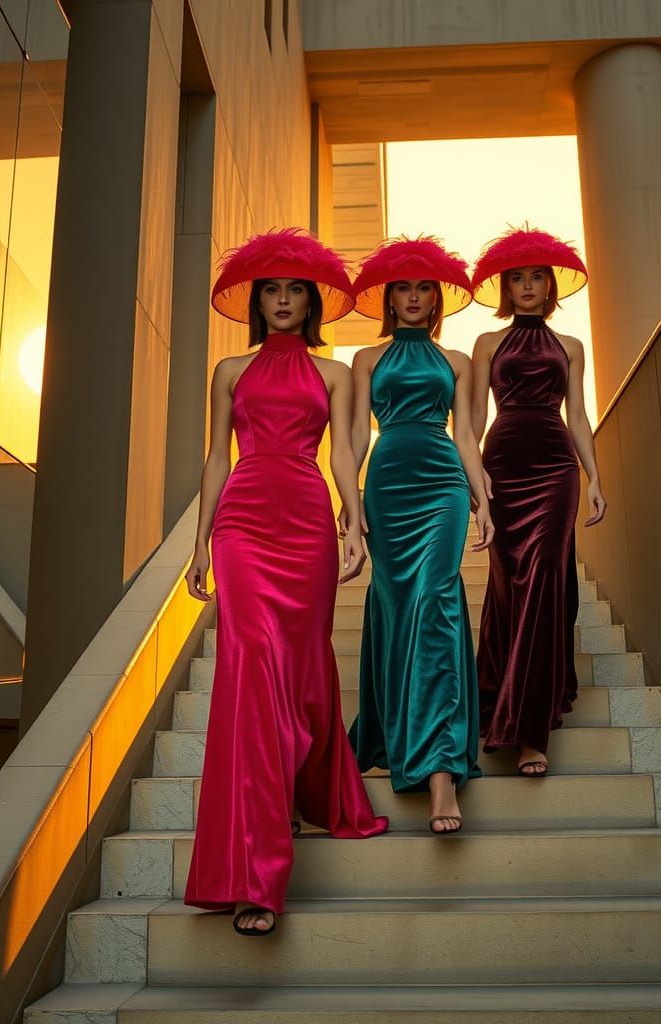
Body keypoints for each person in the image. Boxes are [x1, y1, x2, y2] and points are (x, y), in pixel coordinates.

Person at [183, 228, 388, 937]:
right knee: (249, 671)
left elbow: (342, 458)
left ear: (311, 301)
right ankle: (255, 874)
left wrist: (353, 522)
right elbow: (216, 457)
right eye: (270, 289)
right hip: (242, 523)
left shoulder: (334, 374)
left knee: (301, 671)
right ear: (256, 300)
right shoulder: (229, 370)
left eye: (294, 290)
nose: (281, 300)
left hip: (305, 523)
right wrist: (201, 542)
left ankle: (301, 789)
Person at [344, 236, 493, 834]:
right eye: (403, 288)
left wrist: (482, 500)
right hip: (387, 486)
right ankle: (396, 729)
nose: (412, 297)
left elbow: (466, 437)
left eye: (423, 288)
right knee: (397, 607)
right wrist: (350, 507)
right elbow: (355, 438)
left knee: (435, 604)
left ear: (437, 298)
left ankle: (440, 771)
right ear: (389, 298)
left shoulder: (456, 361)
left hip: (442, 487)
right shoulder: (365, 359)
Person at [470, 227, 606, 777]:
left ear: (550, 285)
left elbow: (579, 416)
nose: (527, 286)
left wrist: (594, 477)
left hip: (555, 469)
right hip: (502, 465)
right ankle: (499, 697)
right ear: (506, 287)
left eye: (536, 277)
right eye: (517, 278)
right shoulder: (486, 343)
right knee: (508, 587)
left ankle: (530, 731)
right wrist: (474, 477)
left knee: (545, 582)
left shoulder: (570, 346)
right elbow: (472, 420)